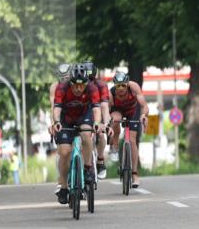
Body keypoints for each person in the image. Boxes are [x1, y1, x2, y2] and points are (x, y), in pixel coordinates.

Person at [50, 64, 104, 204]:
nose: (79, 89)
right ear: (70, 83)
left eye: (82, 85)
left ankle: (87, 168)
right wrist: (56, 121)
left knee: (86, 135)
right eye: (76, 85)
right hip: (66, 119)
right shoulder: (62, 88)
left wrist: (97, 123)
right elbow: (56, 108)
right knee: (64, 152)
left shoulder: (92, 88)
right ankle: (63, 186)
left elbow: (96, 109)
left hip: (83, 116)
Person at [109, 69, 149, 188]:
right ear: (115, 85)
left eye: (123, 85)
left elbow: (144, 106)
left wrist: (143, 115)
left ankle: (135, 174)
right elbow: (107, 111)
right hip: (118, 111)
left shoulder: (134, 87)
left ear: (127, 84)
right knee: (115, 120)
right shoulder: (111, 94)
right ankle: (115, 145)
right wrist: (108, 124)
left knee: (132, 140)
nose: (121, 88)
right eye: (118, 86)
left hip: (132, 111)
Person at [83, 61, 110, 180]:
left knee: (101, 134)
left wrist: (105, 124)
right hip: (83, 111)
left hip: (97, 110)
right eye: (86, 78)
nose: (89, 81)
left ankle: (100, 160)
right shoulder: (78, 85)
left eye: (91, 78)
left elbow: (104, 106)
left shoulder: (101, 85)